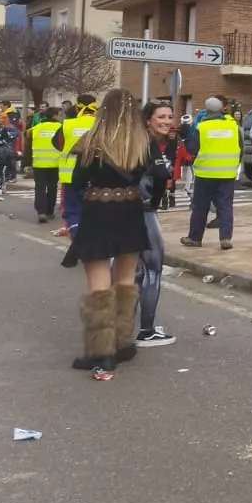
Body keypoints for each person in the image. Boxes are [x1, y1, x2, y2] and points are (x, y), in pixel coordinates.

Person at [64, 89, 153, 375]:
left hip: (98, 212)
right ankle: (124, 343)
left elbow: (76, 181)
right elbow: (149, 177)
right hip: (130, 212)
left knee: (99, 283)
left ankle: (102, 351)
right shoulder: (141, 143)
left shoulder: (91, 142)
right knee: (126, 280)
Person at [135, 101, 178, 347]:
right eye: (161, 116)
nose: (167, 121)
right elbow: (161, 175)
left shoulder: (134, 141)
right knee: (151, 270)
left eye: (170, 116)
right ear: (148, 119)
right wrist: (156, 197)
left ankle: (119, 333)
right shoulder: (147, 142)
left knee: (132, 271)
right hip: (143, 209)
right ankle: (147, 331)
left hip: (126, 208)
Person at [180, 97, 241, 250]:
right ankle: (225, 238)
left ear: (206, 111)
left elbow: (192, 148)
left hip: (205, 174)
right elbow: (240, 148)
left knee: (200, 206)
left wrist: (185, 136)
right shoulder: (233, 126)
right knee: (226, 206)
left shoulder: (202, 127)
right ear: (222, 109)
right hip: (227, 173)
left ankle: (195, 238)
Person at [57, 96, 98, 237]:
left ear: (76, 107)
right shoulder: (102, 124)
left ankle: (77, 240)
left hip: (70, 175)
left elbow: (57, 143)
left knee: (73, 212)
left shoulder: (68, 124)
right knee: (94, 212)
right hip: (96, 175)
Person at [30, 106, 63, 224]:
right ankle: (49, 211)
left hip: (38, 163)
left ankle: (40, 211)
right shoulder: (60, 127)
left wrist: (27, 162)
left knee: (40, 188)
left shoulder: (37, 128)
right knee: (52, 187)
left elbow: (28, 140)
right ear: (54, 116)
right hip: (55, 163)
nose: (61, 116)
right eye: (59, 114)